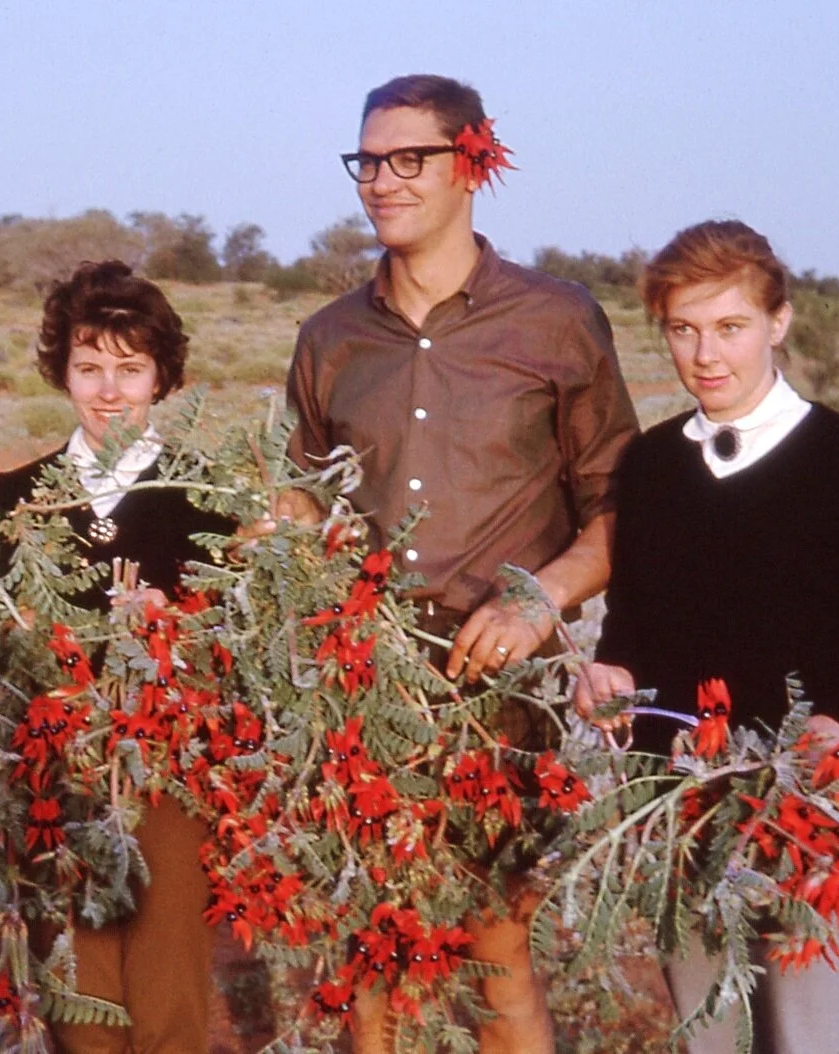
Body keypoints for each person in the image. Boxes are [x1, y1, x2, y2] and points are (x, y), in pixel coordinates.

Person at [285, 74, 639, 1054]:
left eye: (409, 158)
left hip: (504, 694)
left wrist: (540, 596)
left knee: (495, 959)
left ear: (472, 162)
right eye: (367, 160)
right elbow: (300, 499)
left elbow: (622, 504)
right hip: (361, 694)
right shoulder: (328, 340)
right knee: (373, 961)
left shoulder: (555, 321)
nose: (380, 181)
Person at [573, 219, 839, 1054]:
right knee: (711, 1038)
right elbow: (634, 629)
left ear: (777, 323)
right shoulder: (654, 466)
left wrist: (831, 732)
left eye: (730, 327)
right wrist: (610, 683)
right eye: (683, 329)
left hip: (810, 815)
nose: (706, 354)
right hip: (685, 808)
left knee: (811, 1036)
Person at [0, 259, 233, 1054]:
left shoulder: (205, 495)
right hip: (55, 765)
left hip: (166, 764)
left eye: (130, 369)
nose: (109, 390)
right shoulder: (18, 495)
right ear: (61, 371)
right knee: (77, 987)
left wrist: (177, 629)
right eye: (88, 367)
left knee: (166, 983)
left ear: (163, 377)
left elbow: (230, 639)